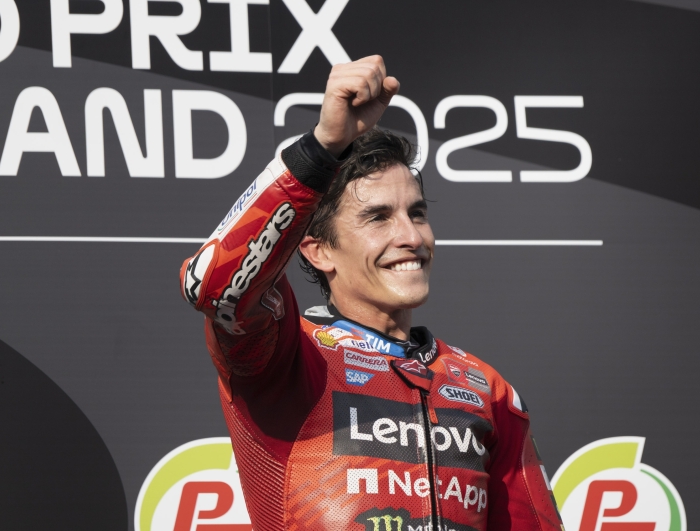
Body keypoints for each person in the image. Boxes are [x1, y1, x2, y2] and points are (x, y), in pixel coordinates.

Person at [179, 55, 563, 531]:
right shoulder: (285, 358)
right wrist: (322, 149)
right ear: (319, 251)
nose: (412, 237)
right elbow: (213, 286)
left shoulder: (485, 387)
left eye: (417, 213)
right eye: (379, 217)